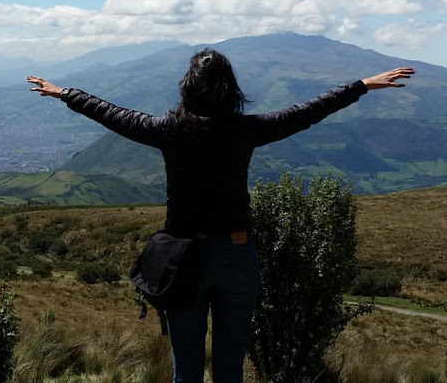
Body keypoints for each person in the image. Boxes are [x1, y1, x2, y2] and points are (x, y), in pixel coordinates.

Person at [27, 49, 415, 383]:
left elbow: (112, 114)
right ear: (231, 89)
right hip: (237, 254)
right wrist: (362, 85)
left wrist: (65, 93)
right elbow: (308, 111)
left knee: (187, 369)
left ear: (187, 88)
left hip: (182, 260)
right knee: (230, 369)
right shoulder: (246, 130)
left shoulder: (167, 130)